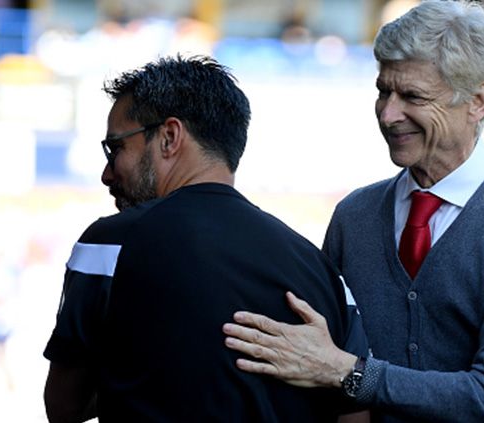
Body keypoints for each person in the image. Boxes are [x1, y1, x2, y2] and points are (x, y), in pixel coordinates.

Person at [222, 1, 484, 422]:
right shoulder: (355, 216)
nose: (389, 114)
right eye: (382, 91)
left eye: (412, 96)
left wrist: (350, 374)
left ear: (478, 101)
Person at [42, 55, 368, 422]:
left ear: (169, 137)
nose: (106, 173)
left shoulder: (111, 244)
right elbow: (356, 412)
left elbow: (64, 406)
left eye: (115, 148)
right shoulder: (319, 268)